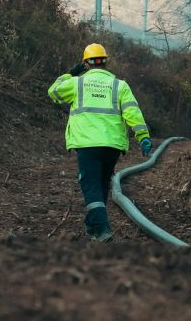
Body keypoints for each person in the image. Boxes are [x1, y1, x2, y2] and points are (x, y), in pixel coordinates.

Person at [48, 43, 153, 241]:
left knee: (91, 185)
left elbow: (53, 92)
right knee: (102, 183)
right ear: (106, 63)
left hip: (87, 145)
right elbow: (133, 113)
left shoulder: (77, 83)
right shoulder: (119, 85)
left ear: (85, 64)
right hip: (112, 146)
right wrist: (143, 137)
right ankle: (93, 227)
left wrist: (69, 74)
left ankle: (102, 228)